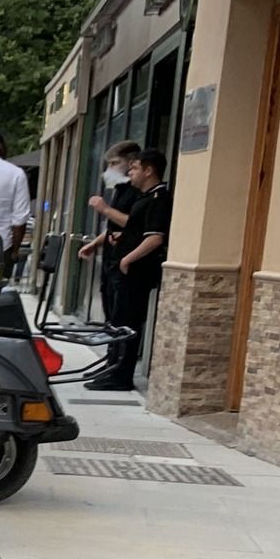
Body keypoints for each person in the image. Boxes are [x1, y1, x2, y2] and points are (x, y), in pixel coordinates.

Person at [87, 147, 170, 391]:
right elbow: (134, 229)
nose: (130, 173)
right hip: (124, 267)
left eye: (134, 168)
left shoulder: (158, 198)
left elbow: (155, 237)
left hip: (137, 271)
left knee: (129, 323)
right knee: (118, 320)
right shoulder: (143, 197)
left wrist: (127, 259)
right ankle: (113, 367)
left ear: (149, 170)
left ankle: (122, 375)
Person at [78, 140, 143, 336]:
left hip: (125, 262)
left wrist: (105, 209)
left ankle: (119, 354)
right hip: (111, 260)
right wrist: (95, 243)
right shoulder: (121, 189)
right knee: (111, 315)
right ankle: (111, 351)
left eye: (114, 163)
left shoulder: (137, 192)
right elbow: (114, 228)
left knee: (123, 319)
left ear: (130, 163)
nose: (110, 169)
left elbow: (135, 224)